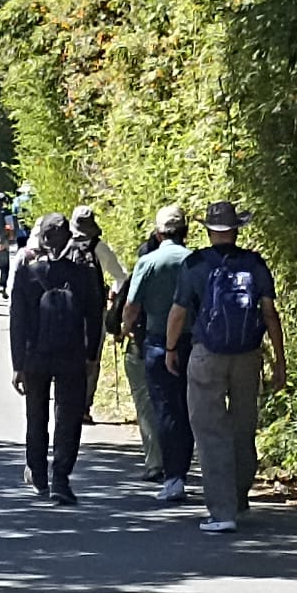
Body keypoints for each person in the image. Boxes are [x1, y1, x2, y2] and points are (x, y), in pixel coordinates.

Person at [166, 201, 286, 533]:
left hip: (207, 354)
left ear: (208, 230)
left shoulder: (195, 264)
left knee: (210, 432)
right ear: (236, 230)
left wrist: (171, 348)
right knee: (243, 428)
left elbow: (178, 312)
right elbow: (270, 314)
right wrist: (279, 360)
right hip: (248, 356)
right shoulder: (254, 264)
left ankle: (222, 512)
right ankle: (239, 498)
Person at [10, 212, 102, 504]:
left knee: (36, 414)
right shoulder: (83, 274)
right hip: (71, 354)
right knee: (68, 417)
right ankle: (61, 478)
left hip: (35, 356)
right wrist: (91, 355)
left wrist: (17, 364)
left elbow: (17, 321)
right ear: (69, 239)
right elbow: (94, 317)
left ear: (42, 240)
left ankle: (38, 474)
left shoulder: (27, 273)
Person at [124, 206, 193, 501]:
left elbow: (132, 306)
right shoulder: (195, 261)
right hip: (193, 342)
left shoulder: (148, 262)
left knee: (165, 409)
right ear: (186, 231)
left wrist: (126, 328)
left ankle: (173, 476)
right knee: (190, 407)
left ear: (158, 233)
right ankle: (185, 468)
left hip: (157, 342)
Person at [114, 229, 166, 482]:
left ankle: (155, 462)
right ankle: (177, 461)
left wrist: (124, 330)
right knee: (173, 402)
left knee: (146, 405)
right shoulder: (185, 268)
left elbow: (120, 313)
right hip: (180, 346)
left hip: (142, 347)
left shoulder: (139, 273)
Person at [68, 206, 126, 424]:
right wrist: (113, 297)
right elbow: (121, 277)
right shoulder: (99, 247)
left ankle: (67, 401)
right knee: (92, 358)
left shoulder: (62, 245)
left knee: (68, 355)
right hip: (94, 311)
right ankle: (84, 407)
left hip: (66, 310)